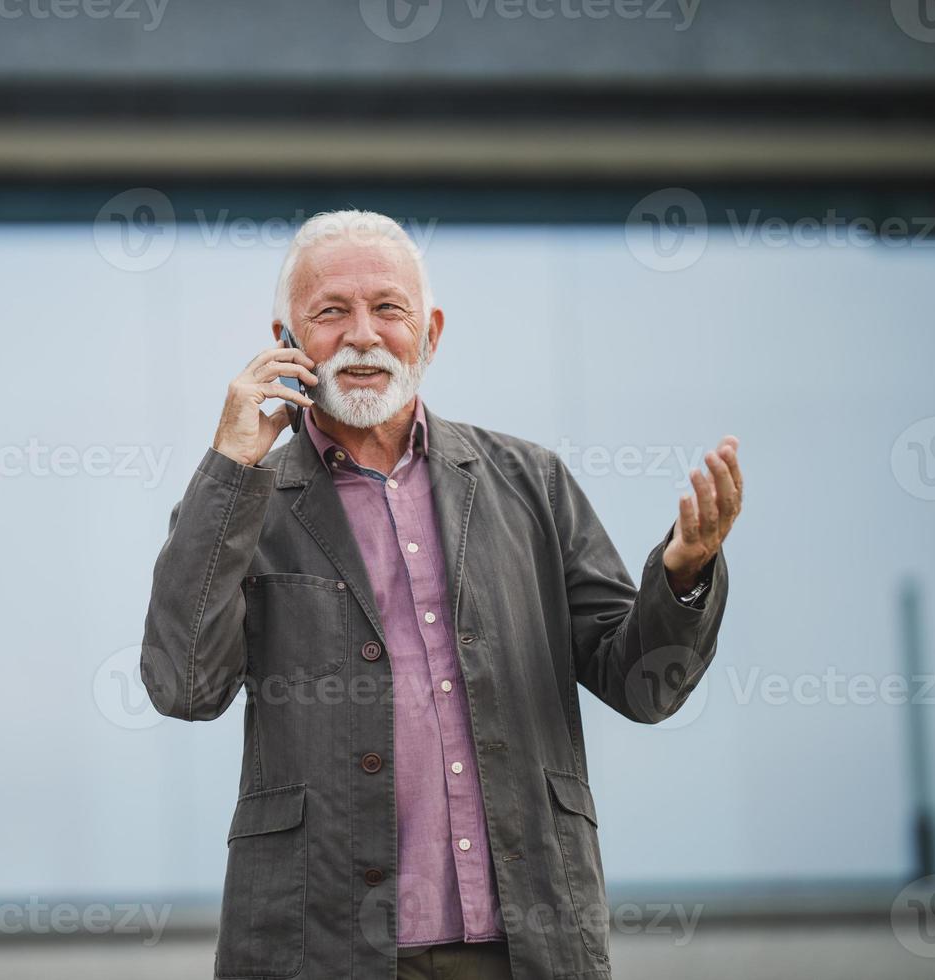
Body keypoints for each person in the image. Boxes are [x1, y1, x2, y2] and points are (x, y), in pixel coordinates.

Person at [140, 210, 741, 980]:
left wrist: (683, 574)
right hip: (315, 945)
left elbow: (641, 685)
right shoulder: (243, 503)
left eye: (388, 308)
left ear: (430, 332)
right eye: (330, 312)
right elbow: (182, 685)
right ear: (284, 339)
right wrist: (231, 465)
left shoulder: (531, 482)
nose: (363, 334)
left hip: (525, 942)